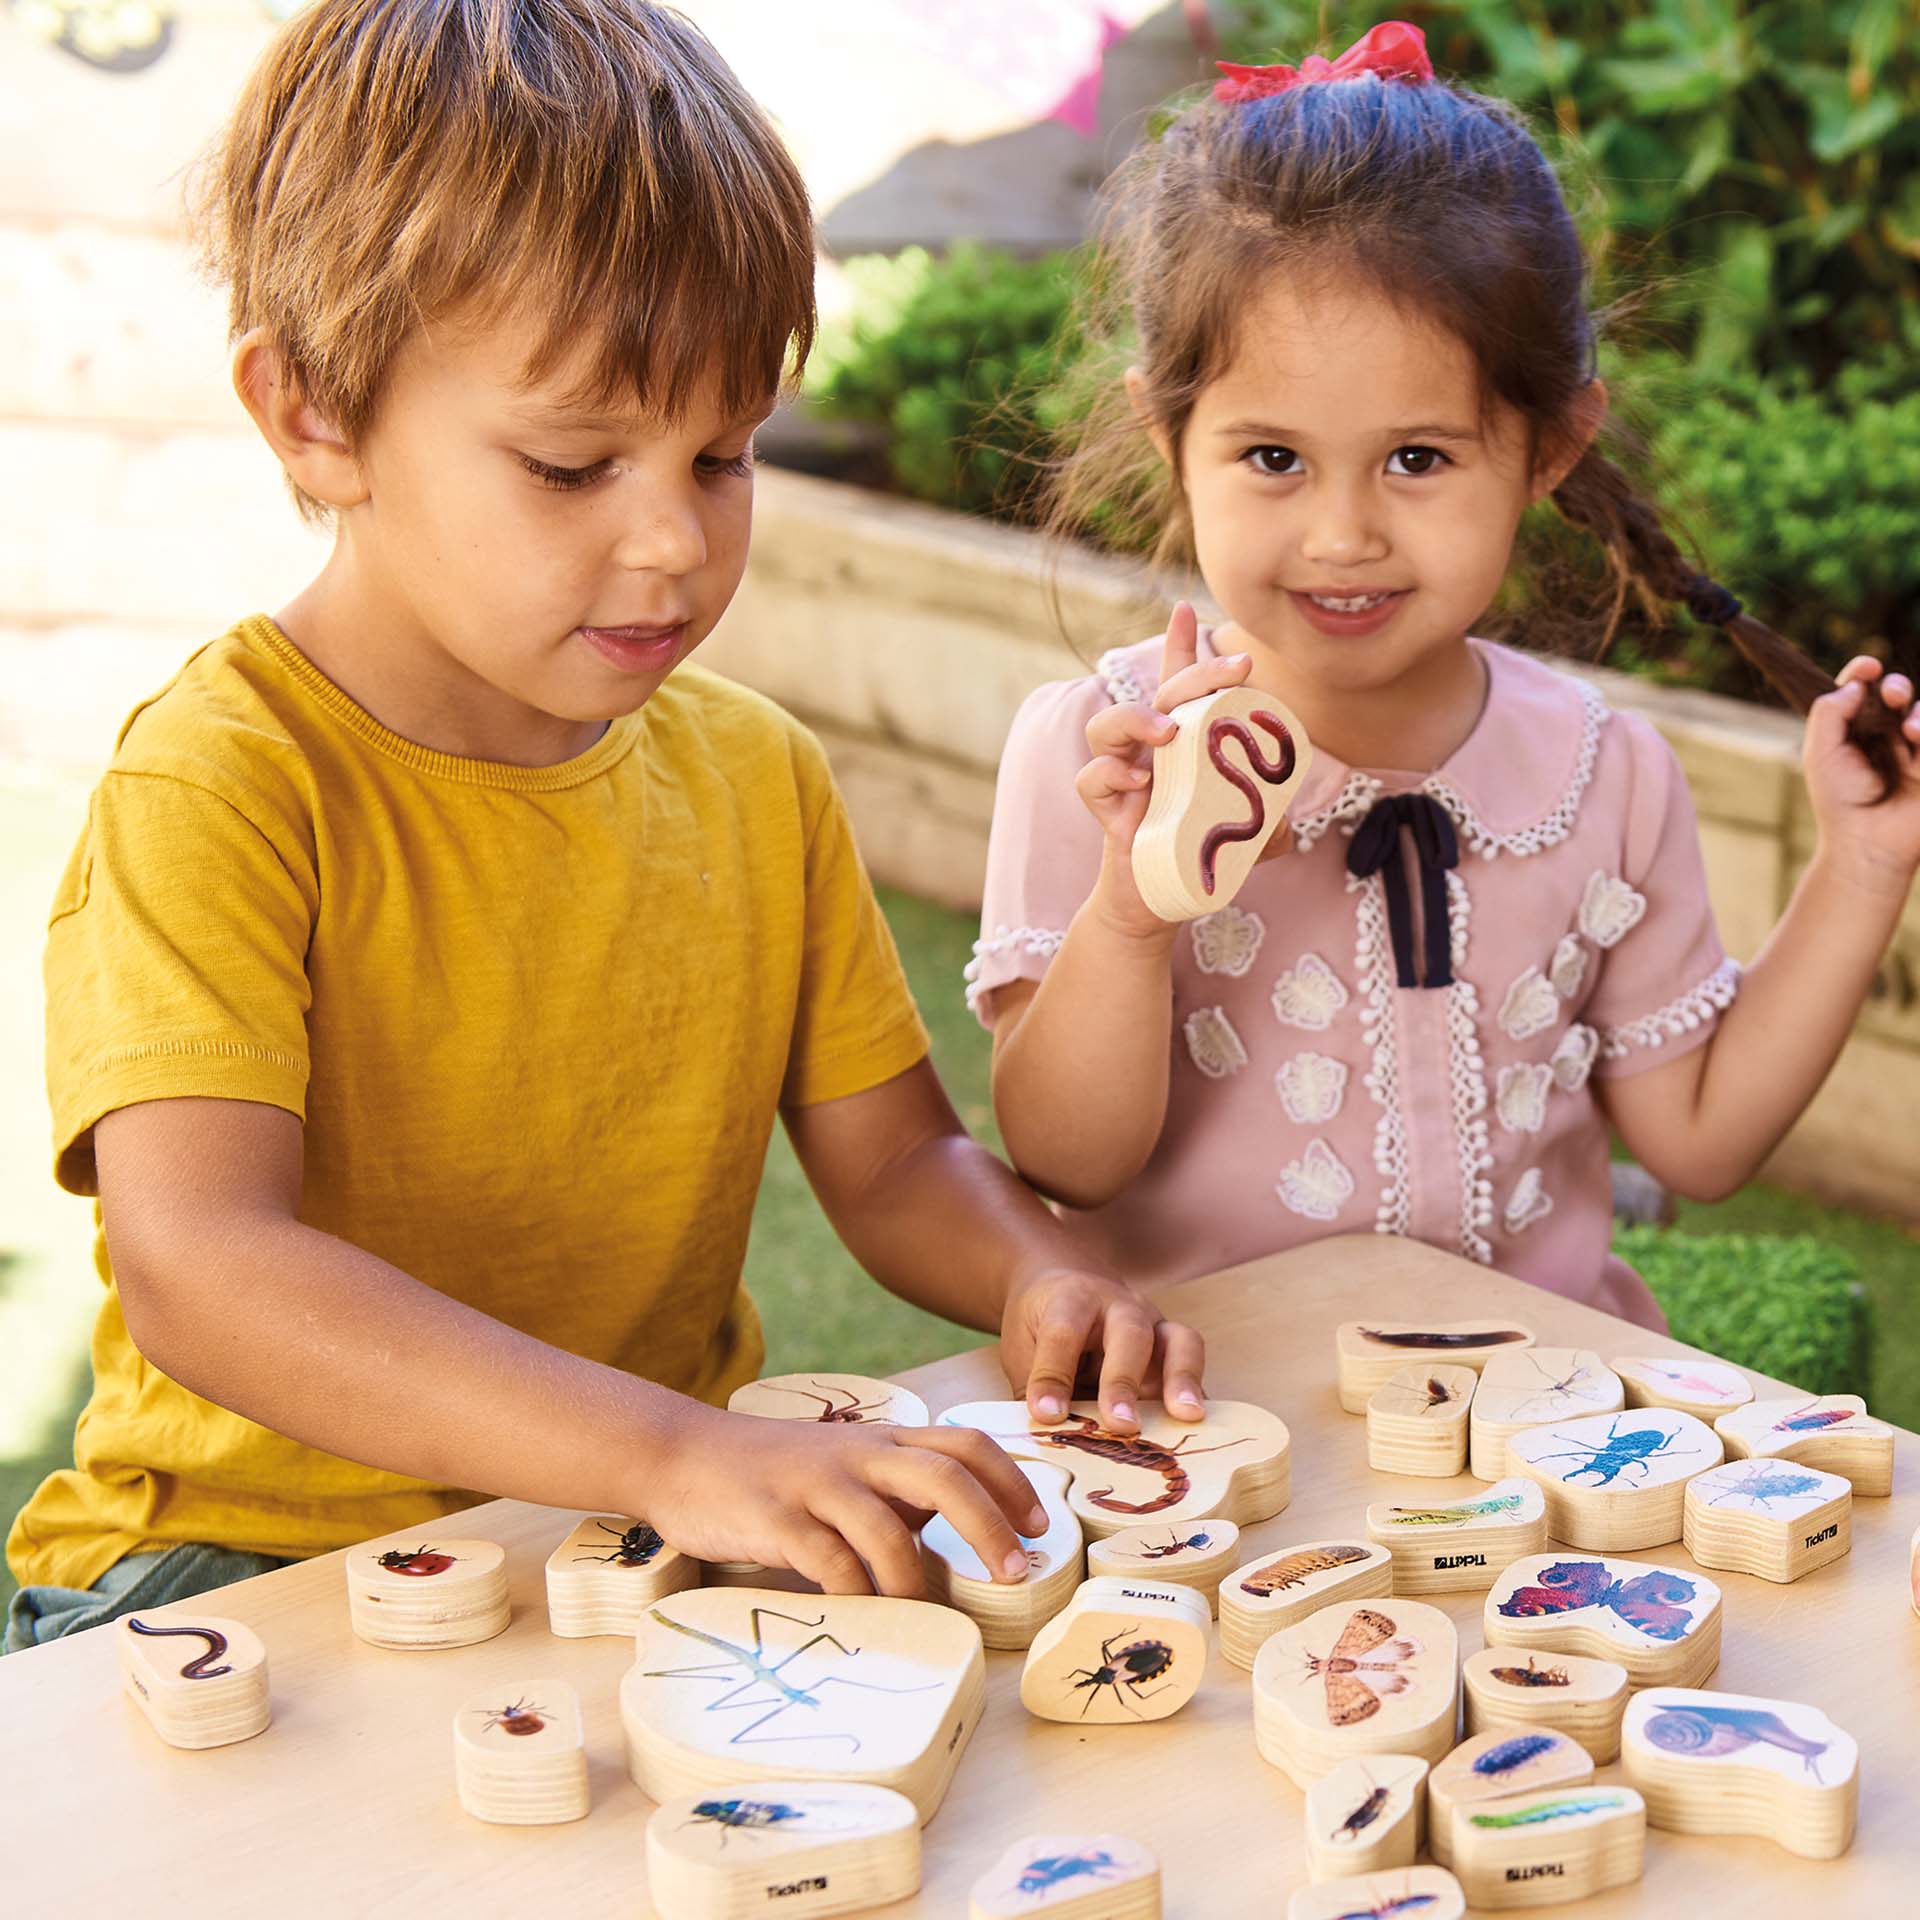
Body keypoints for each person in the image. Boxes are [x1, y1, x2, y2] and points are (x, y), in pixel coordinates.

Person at [7, 0, 1207, 1651]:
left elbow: (899, 1158)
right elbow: (203, 1267)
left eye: (721, 454)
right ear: (315, 419)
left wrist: (1031, 1277)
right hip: (227, 1571)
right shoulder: (223, 786)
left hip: (629, 1535)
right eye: (573, 466)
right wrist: (675, 1449)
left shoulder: (755, 774)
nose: (671, 544)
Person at [971, 21, 1920, 1329]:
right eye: (1273, 458)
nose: (1344, 533)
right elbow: (1065, 1161)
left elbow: (1698, 1140)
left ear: (1548, 448)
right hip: (1225, 1436)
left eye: (1418, 458)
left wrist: (1866, 865)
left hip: (1546, 1426)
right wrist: (1136, 910)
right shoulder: (1102, 751)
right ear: (1169, 432)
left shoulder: (1604, 774)